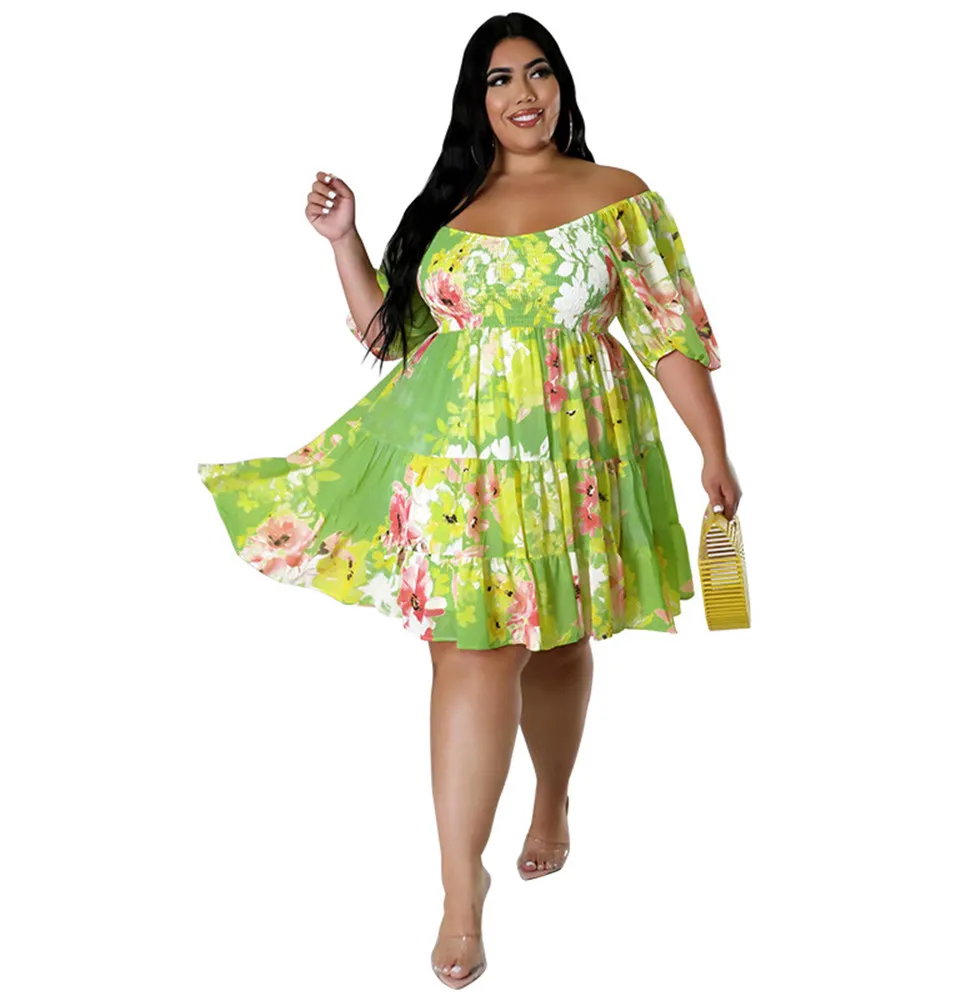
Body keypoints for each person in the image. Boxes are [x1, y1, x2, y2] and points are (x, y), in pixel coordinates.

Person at [197, 11, 741, 989]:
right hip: (456, 471)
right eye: (499, 80)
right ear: (475, 100)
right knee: (469, 652)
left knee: (558, 640)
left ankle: (552, 800)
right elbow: (394, 340)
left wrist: (714, 448)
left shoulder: (619, 198)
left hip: (571, 457)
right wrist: (343, 240)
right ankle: (460, 893)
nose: (522, 94)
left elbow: (668, 330)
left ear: (562, 86)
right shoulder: (452, 206)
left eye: (538, 73)